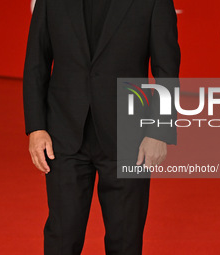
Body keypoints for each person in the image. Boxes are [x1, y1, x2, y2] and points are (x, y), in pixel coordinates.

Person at [23, 0, 181, 254]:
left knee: (125, 241)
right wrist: (36, 127)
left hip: (129, 139)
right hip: (63, 136)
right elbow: (36, 63)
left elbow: (167, 71)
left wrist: (158, 131)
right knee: (61, 239)